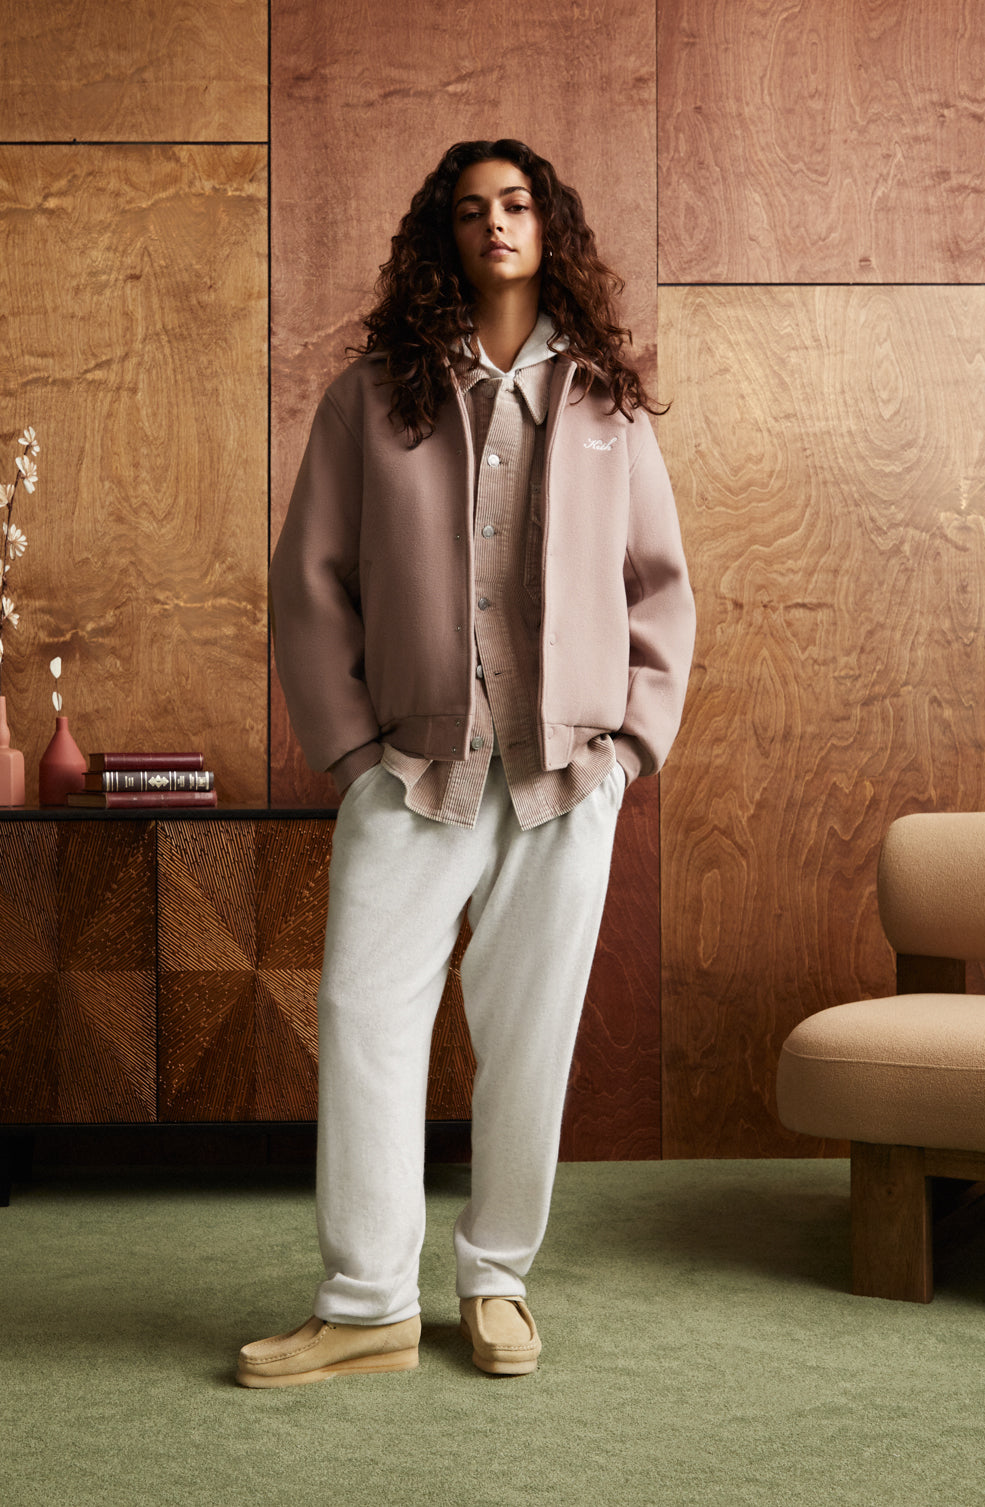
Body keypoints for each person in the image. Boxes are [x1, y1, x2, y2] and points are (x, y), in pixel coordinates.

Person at [238, 138, 695, 1387]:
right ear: (440, 238)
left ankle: (495, 1279)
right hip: (412, 771)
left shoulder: (604, 404)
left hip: (563, 779)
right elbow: (308, 584)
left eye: (516, 203)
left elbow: (658, 585)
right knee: (363, 1017)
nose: (495, 223)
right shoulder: (371, 397)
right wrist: (352, 752)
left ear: (548, 228)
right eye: (469, 209)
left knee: (529, 1036)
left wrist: (627, 747)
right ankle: (367, 1303)